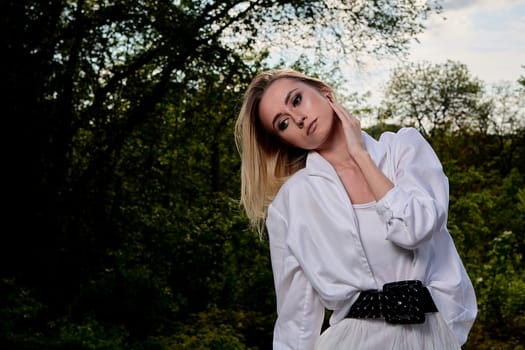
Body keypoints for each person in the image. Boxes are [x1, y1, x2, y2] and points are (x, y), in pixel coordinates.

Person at [234, 68, 477, 350]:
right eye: (283, 123)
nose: (298, 119)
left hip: (432, 338)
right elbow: (296, 316)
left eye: (297, 100)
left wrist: (360, 156)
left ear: (324, 93)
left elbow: (415, 229)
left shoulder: (402, 149)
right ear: (284, 140)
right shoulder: (292, 202)